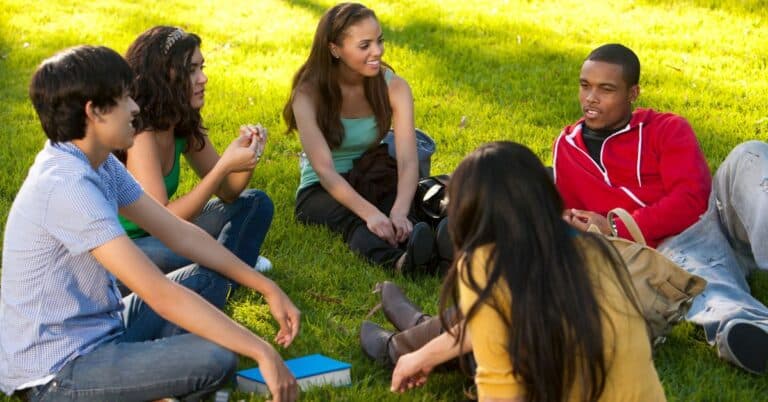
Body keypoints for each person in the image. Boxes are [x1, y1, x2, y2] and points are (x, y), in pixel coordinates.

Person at [0, 45, 299, 401]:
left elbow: (180, 234)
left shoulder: (98, 161)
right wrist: (261, 350)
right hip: (58, 371)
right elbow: (158, 292)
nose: (136, 108)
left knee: (201, 283)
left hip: (104, 327)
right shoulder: (66, 186)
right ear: (94, 112)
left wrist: (267, 287)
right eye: (125, 98)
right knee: (216, 357)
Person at [383, 142, 666, 400]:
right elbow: (497, 320)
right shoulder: (591, 247)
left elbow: (500, 393)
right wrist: (424, 356)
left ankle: (398, 344)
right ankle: (412, 335)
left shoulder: (485, 263)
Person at [554, 43, 768, 374]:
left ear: (633, 93)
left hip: (718, 216)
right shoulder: (566, 147)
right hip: (670, 248)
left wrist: (615, 227)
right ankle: (745, 327)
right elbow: (567, 220)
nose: (590, 98)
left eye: (605, 89)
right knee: (688, 273)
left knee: (749, 155)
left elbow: (691, 199)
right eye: (585, 86)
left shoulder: (668, 128)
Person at [283, 2, 441, 273]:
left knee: (407, 208)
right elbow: (324, 170)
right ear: (335, 49)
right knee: (356, 220)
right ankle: (400, 263)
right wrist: (370, 213)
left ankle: (439, 250)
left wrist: (400, 211)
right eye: (364, 45)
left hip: (372, 173)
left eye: (379, 41)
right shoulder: (308, 94)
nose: (377, 51)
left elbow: (406, 160)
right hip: (322, 189)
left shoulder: (394, 86)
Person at [118, 26, 274, 284]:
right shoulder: (141, 131)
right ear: (163, 77)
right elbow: (160, 221)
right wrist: (222, 168)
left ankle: (221, 268)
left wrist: (249, 155)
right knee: (188, 255)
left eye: (202, 67)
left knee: (256, 202)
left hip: (165, 236)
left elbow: (228, 192)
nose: (203, 78)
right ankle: (230, 264)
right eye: (191, 70)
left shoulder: (183, 119)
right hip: (130, 247)